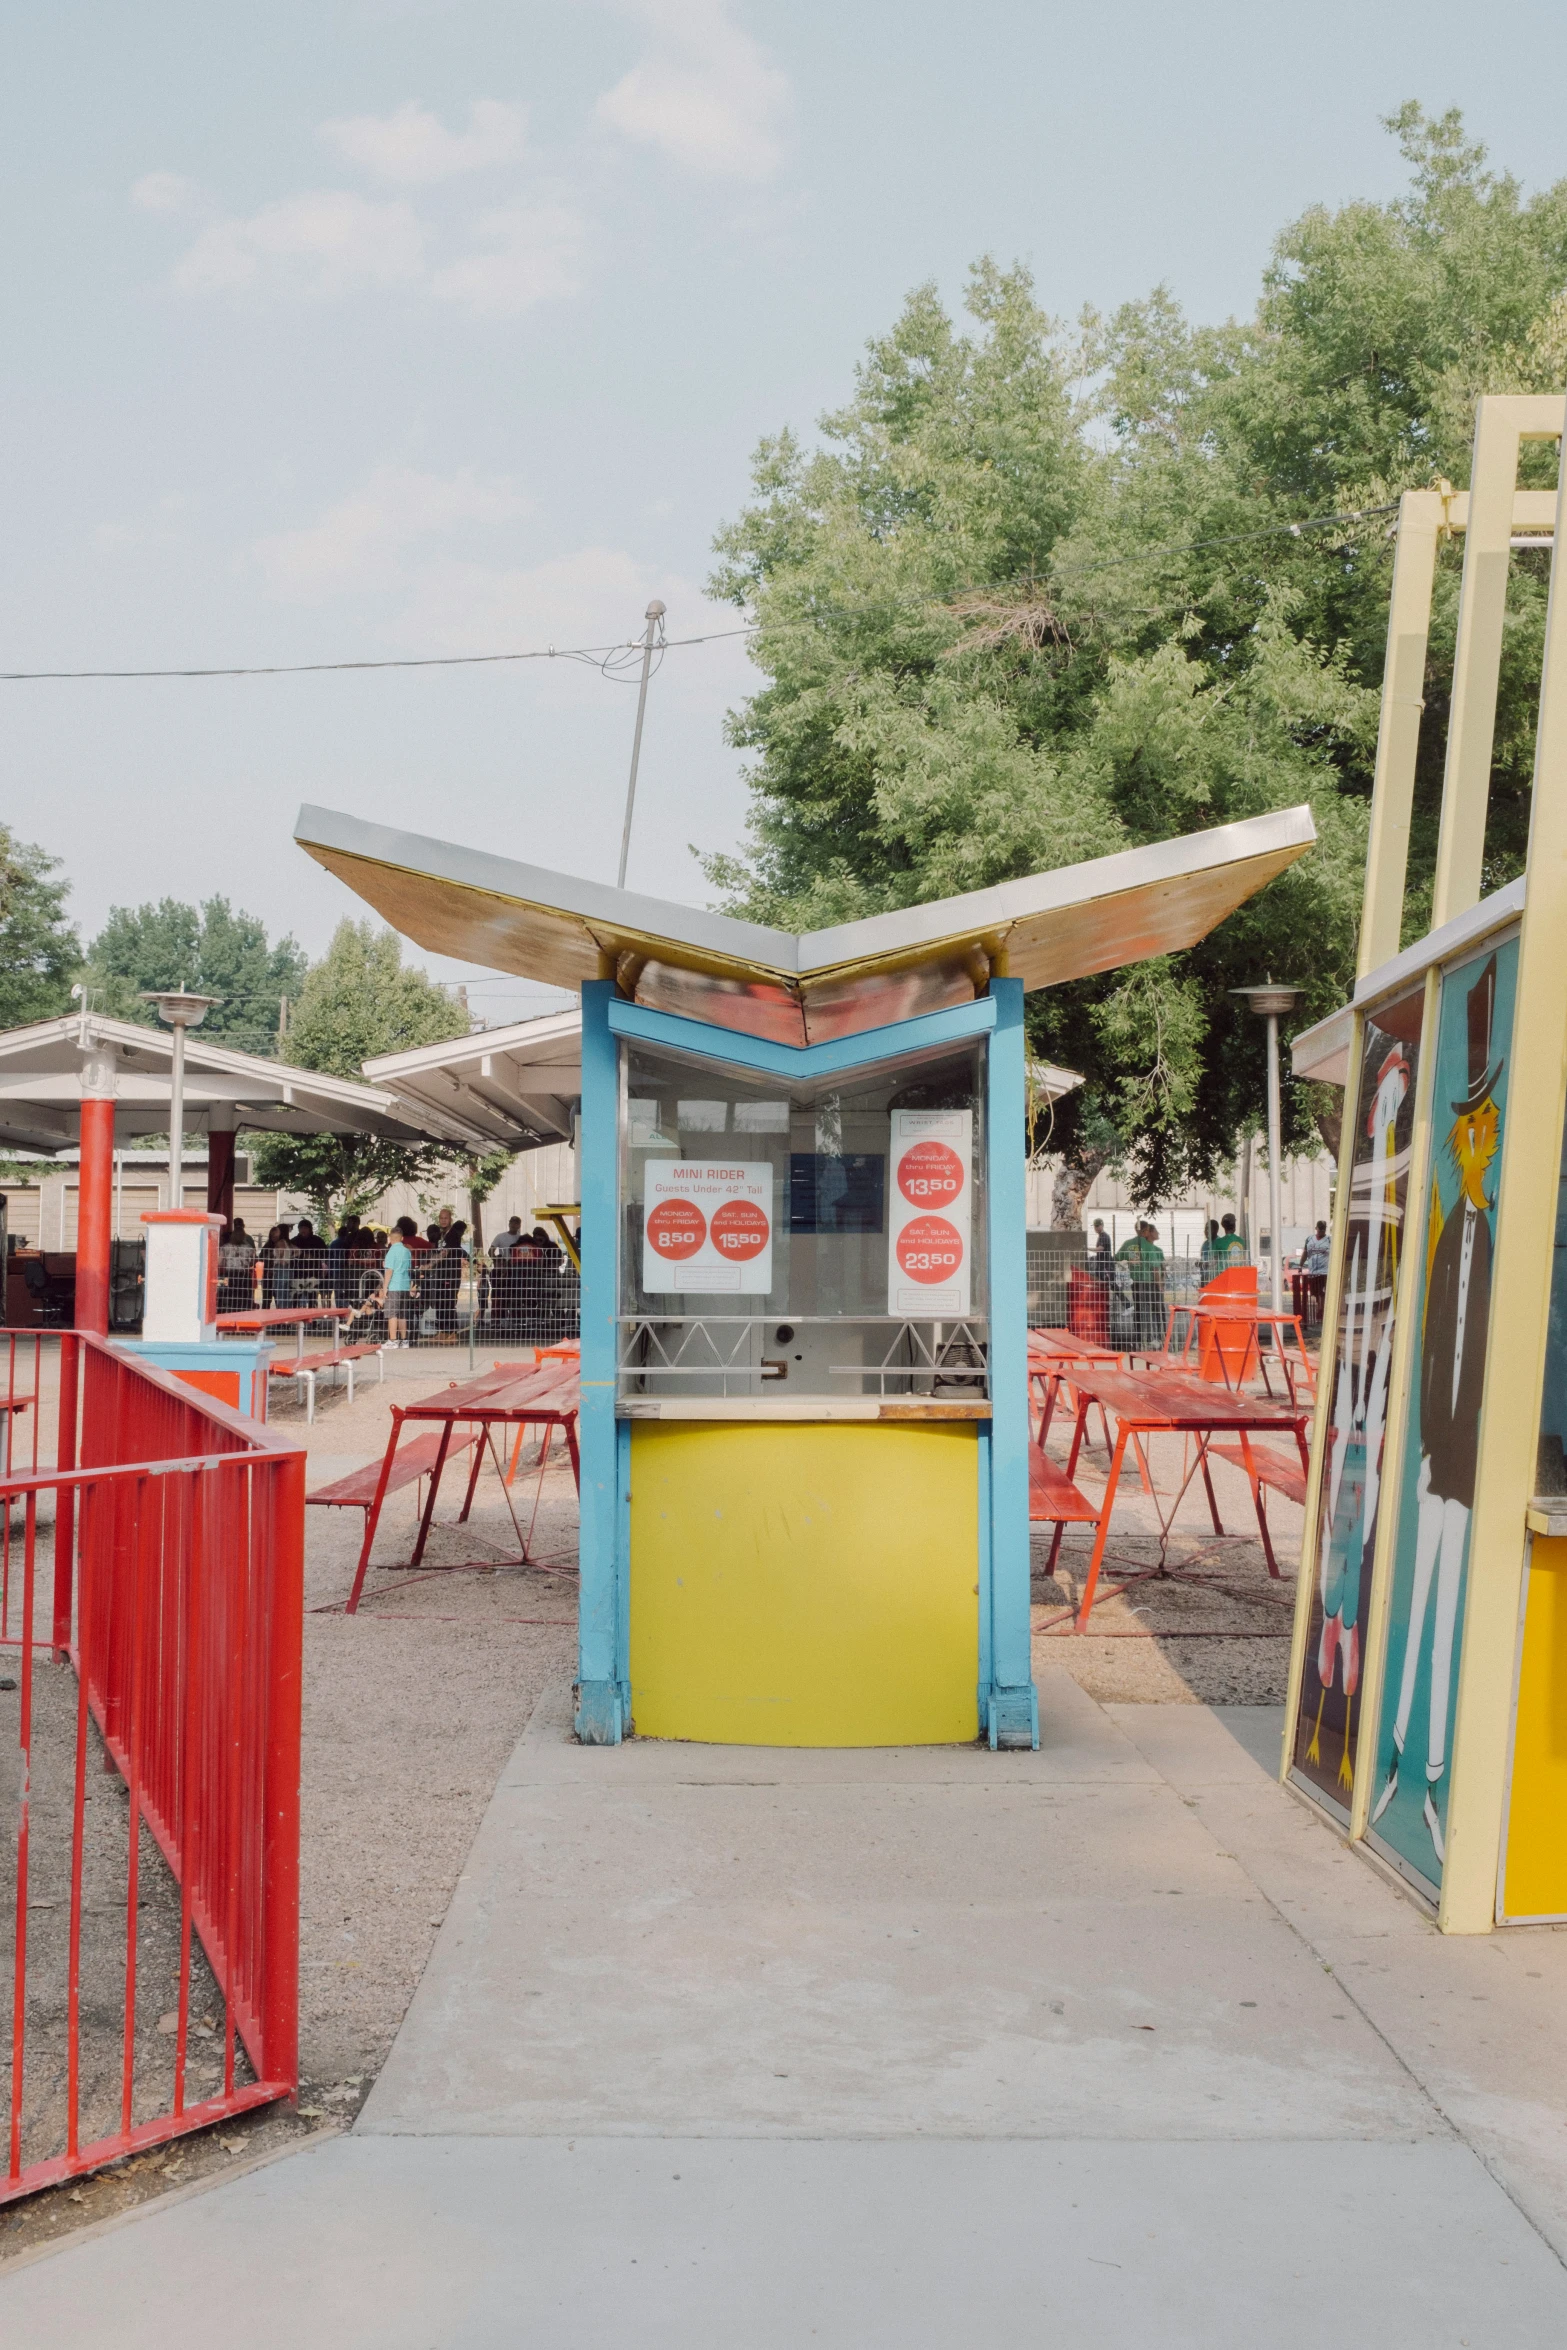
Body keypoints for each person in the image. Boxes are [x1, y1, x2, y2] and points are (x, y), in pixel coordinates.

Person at [373, 1216, 420, 1349]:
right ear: (402, 1238)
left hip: (394, 1285)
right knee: (402, 1314)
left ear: (390, 1238)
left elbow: (389, 1271)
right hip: (405, 1285)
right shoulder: (407, 1252)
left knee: (392, 1314)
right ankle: (404, 1341)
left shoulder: (391, 1252)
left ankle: (392, 1340)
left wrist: (385, 1287)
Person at [260, 1223, 295, 1309]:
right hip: (273, 1273)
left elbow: (262, 1257)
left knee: (275, 1298)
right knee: (280, 1297)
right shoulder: (288, 1243)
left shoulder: (271, 1245)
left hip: (271, 1273)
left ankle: (272, 1319)